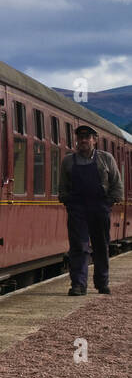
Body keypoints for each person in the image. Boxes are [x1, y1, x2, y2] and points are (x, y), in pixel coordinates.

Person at [57, 123, 124, 295]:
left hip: (100, 208)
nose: (83, 140)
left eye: (87, 137)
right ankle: (78, 285)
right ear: (77, 141)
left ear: (94, 140)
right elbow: (63, 186)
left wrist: (109, 202)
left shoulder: (106, 158)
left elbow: (117, 184)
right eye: (80, 138)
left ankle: (102, 283)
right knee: (78, 246)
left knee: (101, 246)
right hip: (77, 209)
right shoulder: (68, 161)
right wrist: (67, 201)